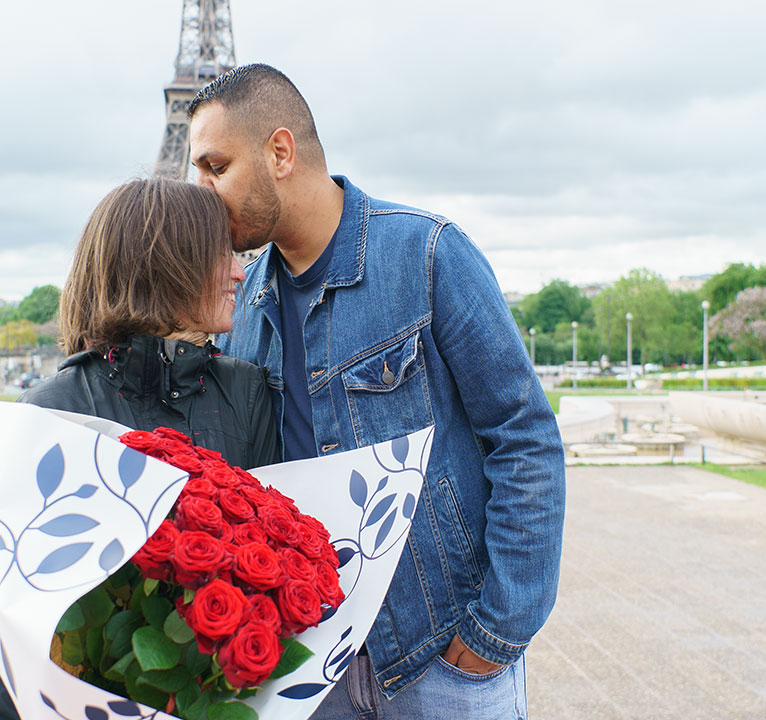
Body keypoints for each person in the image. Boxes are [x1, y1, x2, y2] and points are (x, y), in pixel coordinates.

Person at [188, 64, 566, 719]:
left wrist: (491, 637)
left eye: (215, 166)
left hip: (441, 660)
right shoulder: (243, 306)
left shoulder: (426, 254)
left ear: (280, 152)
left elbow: (524, 437)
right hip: (312, 666)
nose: (200, 190)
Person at [0, 177, 280, 720]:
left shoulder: (248, 391)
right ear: (166, 264)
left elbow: (272, 567)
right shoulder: (47, 411)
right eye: (220, 256)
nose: (239, 271)